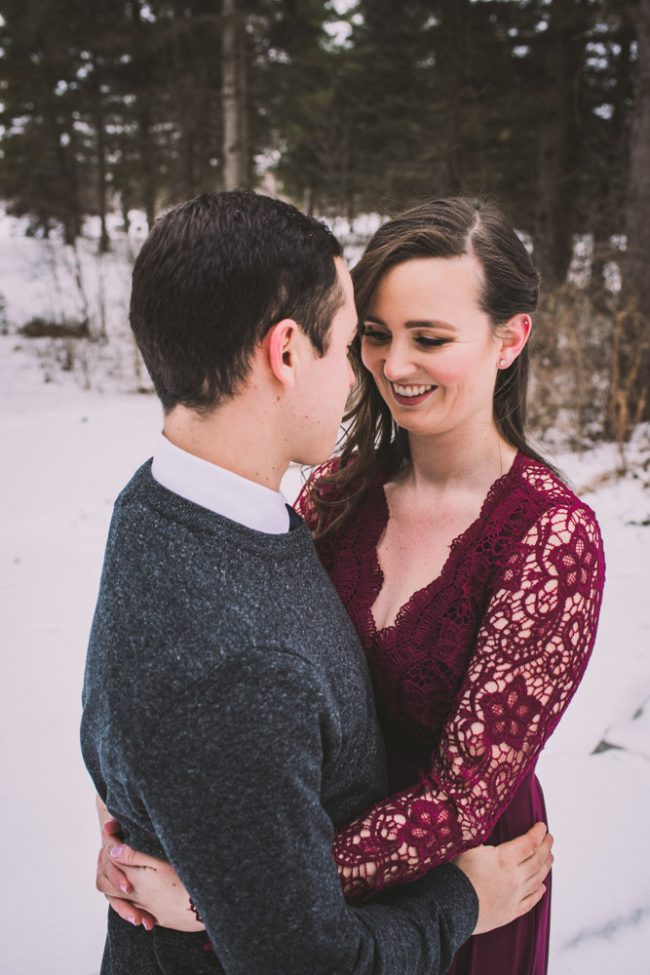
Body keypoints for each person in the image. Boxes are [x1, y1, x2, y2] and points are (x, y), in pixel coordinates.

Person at [82, 191, 554, 975]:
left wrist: (163, 834)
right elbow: (304, 956)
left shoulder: (161, 504)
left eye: (426, 336)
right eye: (356, 341)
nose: (372, 371)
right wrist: (458, 902)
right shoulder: (242, 647)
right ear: (288, 352)